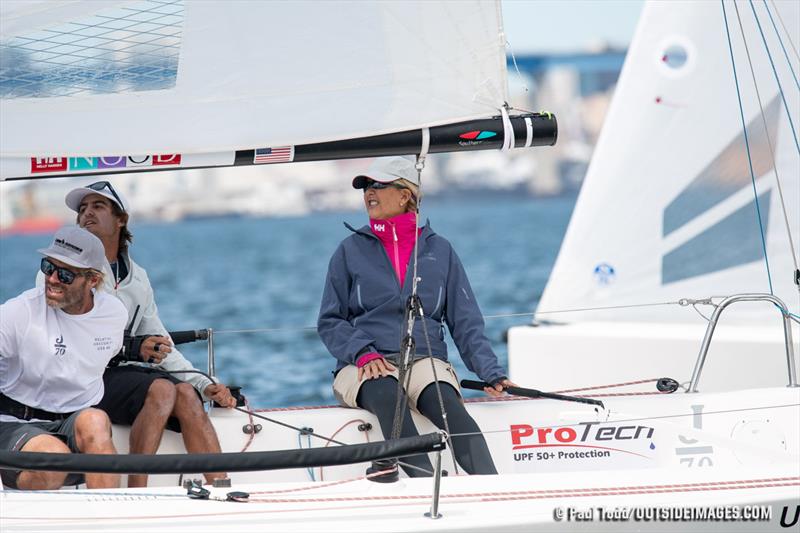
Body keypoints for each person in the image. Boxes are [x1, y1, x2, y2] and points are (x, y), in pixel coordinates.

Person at [318, 156, 515, 477]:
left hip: (425, 361)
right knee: (388, 396)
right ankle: (424, 487)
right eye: (366, 186)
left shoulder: (441, 250)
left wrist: (491, 373)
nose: (369, 192)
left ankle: (494, 491)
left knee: (452, 410)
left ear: (405, 194)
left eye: (378, 185)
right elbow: (330, 321)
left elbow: (465, 321)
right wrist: (364, 352)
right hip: (365, 363)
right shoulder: (348, 250)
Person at [46, 181, 237, 487]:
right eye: (82, 209)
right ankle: (137, 491)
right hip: (78, 378)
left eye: (97, 206)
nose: (86, 214)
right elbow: (62, 335)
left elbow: (160, 343)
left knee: (187, 394)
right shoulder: (62, 269)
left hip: (118, 380)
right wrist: (133, 349)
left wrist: (205, 384)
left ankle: (221, 487)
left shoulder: (138, 278)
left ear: (121, 219)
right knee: (161, 389)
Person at [1, 226, 127, 490]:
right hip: (13, 422)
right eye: (48, 267)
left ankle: (109, 519)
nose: (53, 279)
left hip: (72, 421)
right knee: (55, 457)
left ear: (93, 280)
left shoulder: (114, 314)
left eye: (66, 274)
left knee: (95, 420)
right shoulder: (17, 313)